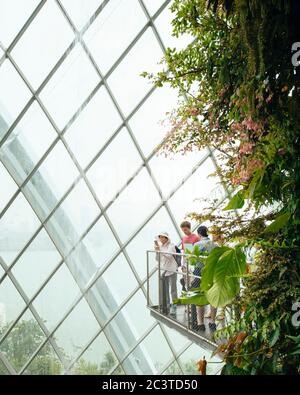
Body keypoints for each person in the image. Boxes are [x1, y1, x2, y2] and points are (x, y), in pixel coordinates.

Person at [192, 226, 217, 332]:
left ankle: (201, 323)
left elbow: (193, 259)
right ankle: (212, 322)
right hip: (212, 272)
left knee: (200, 297)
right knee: (213, 298)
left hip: (199, 272)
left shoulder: (197, 244)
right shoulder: (214, 245)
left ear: (199, 234)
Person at [154, 232, 178, 317]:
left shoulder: (171, 245)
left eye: (162, 237)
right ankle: (167, 306)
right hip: (164, 270)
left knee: (173, 290)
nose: (160, 239)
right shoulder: (160, 246)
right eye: (159, 237)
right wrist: (157, 251)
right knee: (165, 289)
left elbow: (169, 256)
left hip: (171, 269)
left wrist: (160, 251)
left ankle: (174, 307)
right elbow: (158, 259)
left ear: (166, 238)